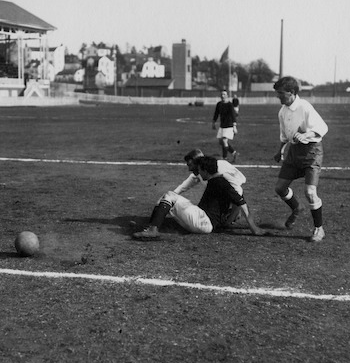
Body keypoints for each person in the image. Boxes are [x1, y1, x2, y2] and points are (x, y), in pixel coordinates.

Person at [132, 156, 262, 240]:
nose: (198, 173)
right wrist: (227, 222)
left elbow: (241, 202)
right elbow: (239, 200)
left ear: (205, 170)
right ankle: (151, 226)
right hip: (204, 222)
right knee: (167, 198)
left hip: (204, 222)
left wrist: (253, 228)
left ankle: (152, 230)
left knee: (170, 196)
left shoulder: (220, 182)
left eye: (199, 170)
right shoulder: (218, 180)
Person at [272, 76, 328, 243]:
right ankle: (297, 207)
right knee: (280, 188)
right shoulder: (282, 111)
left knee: (310, 192)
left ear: (292, 92)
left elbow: (322, 128)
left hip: (312, 152)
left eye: (281, 93)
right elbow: (284, 136)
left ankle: (319, 228)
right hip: (293, 152)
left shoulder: (304, 107)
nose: (278, 97)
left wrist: (305, 134)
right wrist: (279, 151)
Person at [173, 148, 246, 196]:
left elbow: (238, 191)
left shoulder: (219, 171)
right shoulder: (201, 172)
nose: (189, 169)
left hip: (234, 194)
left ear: (199, 163)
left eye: (190, 165)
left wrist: (234, 211)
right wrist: (172, 195)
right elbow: (185, 185)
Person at [212, 90, 239, 162]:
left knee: (224, 141)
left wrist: (234, 126)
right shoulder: (219, 104)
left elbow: (233, 116)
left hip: (229, 126)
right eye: (222, 94)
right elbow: (216, 114)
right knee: (221, 142)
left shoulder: (230, 105)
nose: (222, 95)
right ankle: (234, 153)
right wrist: (213, 122)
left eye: (224, 94)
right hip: (222, 126)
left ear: (227, 96)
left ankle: (225, 158)